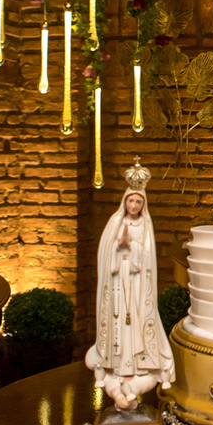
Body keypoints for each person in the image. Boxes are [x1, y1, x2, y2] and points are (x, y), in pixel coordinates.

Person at [85, 159, 174, 410]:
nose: (134, 205)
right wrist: (118, 245)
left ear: (143, 204)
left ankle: (137, 367)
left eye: (138, 202)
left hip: (136, 282)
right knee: (116, 321)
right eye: (131, 200)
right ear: (125, 201)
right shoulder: (115, 222)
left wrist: (131, 246)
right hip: (116, 280)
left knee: (135, 319)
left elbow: (148, 255)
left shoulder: (145, 224)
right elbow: (105, 252)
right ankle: (115, 366)